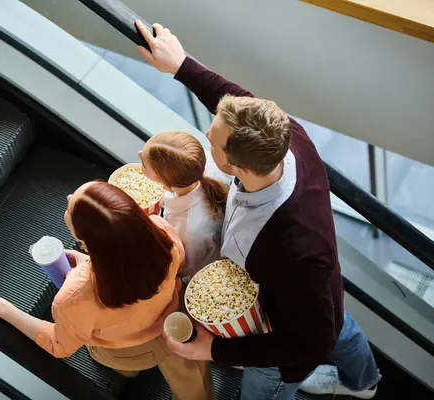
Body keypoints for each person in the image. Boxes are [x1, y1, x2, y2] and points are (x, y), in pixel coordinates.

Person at [135, 20, 380, 400]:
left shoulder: (293, 246)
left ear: (239, 167)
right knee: (339, 325)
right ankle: (365, 383)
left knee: (287, 368)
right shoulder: (285, 135)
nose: (205, 140)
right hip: (321, 294)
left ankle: (353, 384)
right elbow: (235, 101)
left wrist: (213, 349)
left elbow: (305, 342)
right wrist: (181, 65)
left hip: (281, 341)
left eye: (212, 144)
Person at [0, 181, 214, 400]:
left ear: (84, 242)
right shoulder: (163, 232)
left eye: (71, 205)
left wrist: (2, 307)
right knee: (194, 386)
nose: (69, 196)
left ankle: (126, 374)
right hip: (176, 324)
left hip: (127, 353)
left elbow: (59, 346)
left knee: (118, 366)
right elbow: (134, 265)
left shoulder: (72, 299)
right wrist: (90, 263)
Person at [139, 131, 229, 281]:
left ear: (163, 180)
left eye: (143, 163)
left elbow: (186, 269)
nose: (139, 153)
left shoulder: (187, 230)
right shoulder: (200, 165)